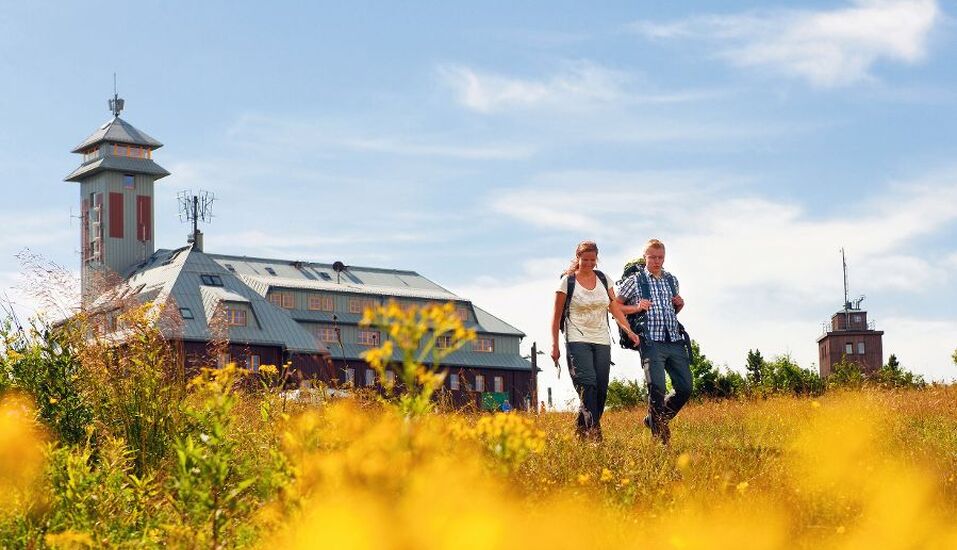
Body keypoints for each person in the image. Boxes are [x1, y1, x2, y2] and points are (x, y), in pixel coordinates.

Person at [551, 241, 640, 441]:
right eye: (585, 260)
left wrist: (629, 331)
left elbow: (614, 308)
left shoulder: (603, 279)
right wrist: (555, 345)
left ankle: (580, 434)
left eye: (593, 260)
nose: (589, 263)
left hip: (601, 340)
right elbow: (556, 317)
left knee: (600, 391)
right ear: (578, 258)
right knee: (588, 386)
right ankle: (595, 436)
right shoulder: (567, 282)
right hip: (576, 340)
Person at [616, 239, 691, 445]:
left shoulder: (671, 280)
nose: (657, 261)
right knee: (657, 388)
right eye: (652, 257)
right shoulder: (634, 281)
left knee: (685, 387)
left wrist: (679, 305)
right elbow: (615, 307)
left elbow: (671, 311)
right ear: (645, 258)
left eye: (660, 257)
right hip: (650, 341)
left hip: (674, 339)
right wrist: (637, 307)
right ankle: (660, 440)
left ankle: (654, 420)